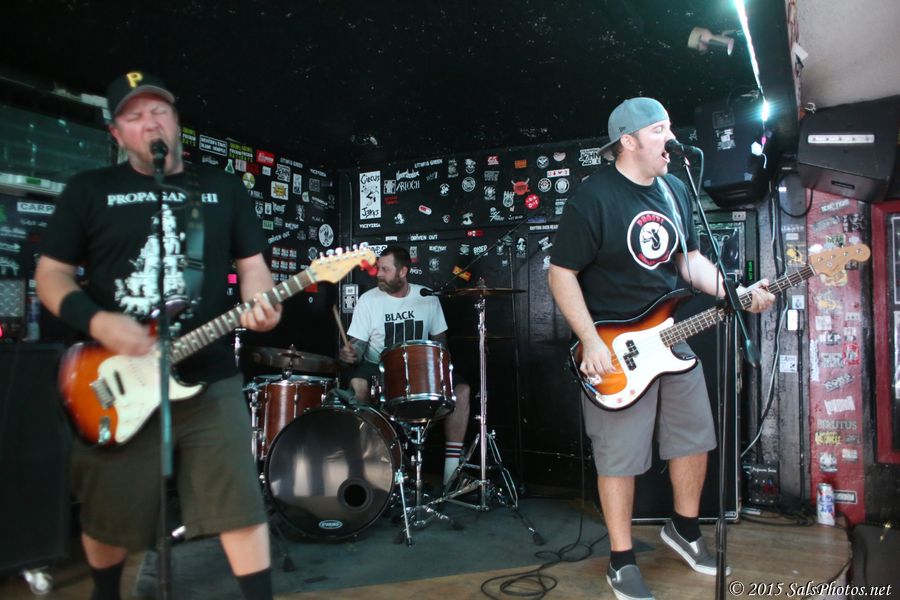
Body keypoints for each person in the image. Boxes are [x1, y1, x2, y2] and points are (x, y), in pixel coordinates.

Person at [35, 72, 281, 600]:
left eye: (159, 112)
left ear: (176, 122)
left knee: (239, 505)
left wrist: (262, 304)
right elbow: (51, 276)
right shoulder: (89, 191)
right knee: (108, 514)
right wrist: (98, 322)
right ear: (116, 132)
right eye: (134, 116)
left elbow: (253, 266)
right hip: (115, 374)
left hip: (208, 373)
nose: (150, 123)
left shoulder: (221, 188)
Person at [548, 97, 775, 600]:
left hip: (670, 336)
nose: (671, 139)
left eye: (670, 127)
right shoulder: (594, 197)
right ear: (628, 141)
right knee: (619, 457)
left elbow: (688, 260)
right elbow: (561, 273)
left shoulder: (675, 189)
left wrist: (735, 293)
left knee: (695, 437)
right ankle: (621, 559)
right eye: (658, 130)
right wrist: (590, 340)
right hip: (614, 346)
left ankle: (685, 530)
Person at [338, 245, 471, 487]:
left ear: (403, 271)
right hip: (378, 366)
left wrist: (439, 368)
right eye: (379, 269)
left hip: (420, 367)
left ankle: (451, 473)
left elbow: (441, 342)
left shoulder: (426, 297)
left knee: (462, 391)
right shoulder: (368, 300)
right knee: (358, 384)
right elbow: (357, 345)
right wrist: (351, 353)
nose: (379, 274)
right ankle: (370, 463)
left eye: (385, 270)